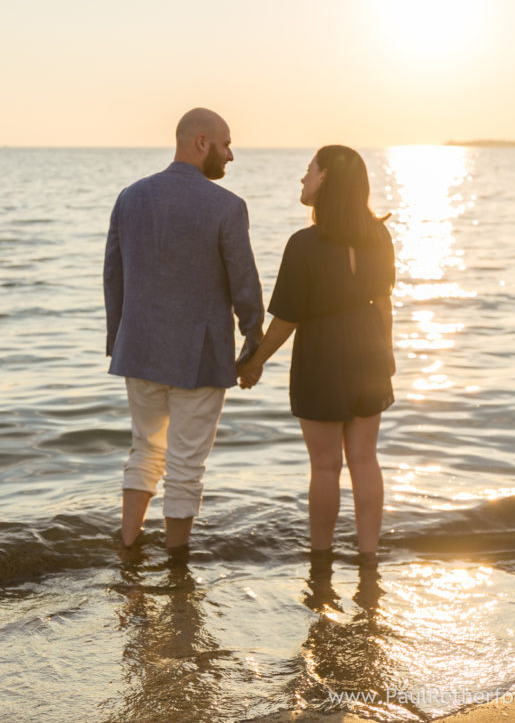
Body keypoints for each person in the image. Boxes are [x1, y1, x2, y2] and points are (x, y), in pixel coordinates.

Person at [104, 108, 264, 553]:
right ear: (201, 141)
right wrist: (254, 342)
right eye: (226, 143)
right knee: (187, 464)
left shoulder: (130, 197)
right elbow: (244, 284)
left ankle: (129, 547)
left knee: (144, 450)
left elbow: (112, 274)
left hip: (138, 349)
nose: (230, 154)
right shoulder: (227, 206)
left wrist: (116, 338)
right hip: (200, 356)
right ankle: (177, 565)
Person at [238, 146, 395, 562]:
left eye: (308, 170)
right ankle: (368, 557)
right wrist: (387, 356)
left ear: (325, 178)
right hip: (370, 350)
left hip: (322, 353)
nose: (302, 178)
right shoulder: (379, 235)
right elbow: (383, 303)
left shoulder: (304, 244)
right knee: (365, 459)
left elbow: (286, 320)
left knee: (326, 467)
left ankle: (321, 560)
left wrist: (254, 362)